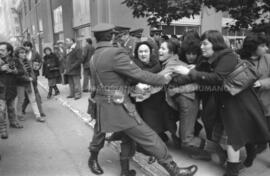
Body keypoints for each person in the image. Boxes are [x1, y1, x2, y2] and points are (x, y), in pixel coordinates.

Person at [88, 23, 198, 176]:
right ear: (112, 35)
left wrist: (128, 87)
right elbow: (139, 74)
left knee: (102, 134)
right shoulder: (115, 53)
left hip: (102, 104)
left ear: (96, 38)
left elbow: (106, 81)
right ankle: (174, 170)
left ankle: (101, 162)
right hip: (119, 105)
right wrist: (163, 79)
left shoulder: (94, 56)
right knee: (149, 137)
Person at [173, 30, 270, 176]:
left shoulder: (228, 56)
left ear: (216, 43)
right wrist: (170, 81)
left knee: (233, 137)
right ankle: (248, 155)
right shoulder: (205, 59)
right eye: (202, 43)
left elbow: (217, 78)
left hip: (239, 102)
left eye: (205, 43)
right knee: (237, 134)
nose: (201, 47)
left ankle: (233, 171)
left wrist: (189, 73)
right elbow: (197, 75)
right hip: (223, 102)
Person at [238, 33, 270, 167]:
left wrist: (261, 83)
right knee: (248, 134)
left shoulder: (268, 58)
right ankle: (250, 155)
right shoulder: (239, 60)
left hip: (267, 104)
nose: (266, 48)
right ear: (253, 47)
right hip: (247, 105)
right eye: (262, 46)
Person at [15, 47, 45, 123]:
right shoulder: (15, 62)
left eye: (24, 52)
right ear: (17, 54)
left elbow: (31, 72)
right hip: (20, 84)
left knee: (33, 99)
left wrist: (34, 74)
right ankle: (19, 115)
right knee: (21, 100)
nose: (24, 54)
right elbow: (17, 74)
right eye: (21, 53)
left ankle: (38, 116)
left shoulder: (27, 61)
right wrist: (28, 78)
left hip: (29, 83)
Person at [0, 42, 23, 132]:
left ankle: (13, 122)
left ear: (9, 51)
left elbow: (22, 71)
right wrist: (1, 69)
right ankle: (2, 128)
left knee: (11, 108)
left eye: (2, 50)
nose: (0, 52)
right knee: (1, 110)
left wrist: (14, 71)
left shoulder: (15, 60)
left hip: (11, 89)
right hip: (0, 89)